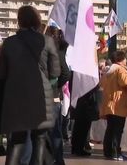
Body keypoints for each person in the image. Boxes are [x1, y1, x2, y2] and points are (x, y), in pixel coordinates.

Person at [0, 5, 60, 165]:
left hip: (15, 97)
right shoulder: (47, 41)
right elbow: (55, 72)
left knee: (16, 142)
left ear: (19, 21)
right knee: (40, 139)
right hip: (42, 97)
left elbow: (1, 74)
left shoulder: (9, 43)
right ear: (37, 21)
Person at [100, 50, 127, 161]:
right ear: (122, 59)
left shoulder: (108, 70)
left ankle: (108, 152)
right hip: (119, 104)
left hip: (109, 103)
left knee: (110, 129)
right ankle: (115, 152)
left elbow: (101, 84)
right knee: (117, 130)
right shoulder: (120, 69)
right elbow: (125, 82)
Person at [45, 26, 70, 165]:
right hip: (53, 95)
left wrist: (55, 85)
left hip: (52, 94)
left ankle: (58, 160)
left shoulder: (55, 52)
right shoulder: (57, 50)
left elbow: (66, 73)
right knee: (53, 130)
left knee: (54, 131)